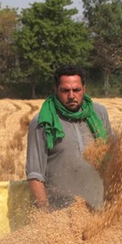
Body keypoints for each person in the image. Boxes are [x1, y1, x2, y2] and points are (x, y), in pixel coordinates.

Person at [26, 64, 114, 211]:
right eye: (65, 91)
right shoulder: (43, 122)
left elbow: (112, 156)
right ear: (56, 90)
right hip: (62, 213)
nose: (72, 96)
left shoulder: (99, 113)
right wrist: (46, 216)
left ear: (84, 89)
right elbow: (35, 175)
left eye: (76, 90)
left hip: (99, 211)